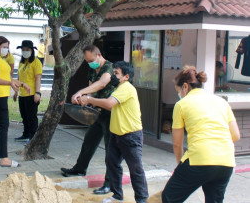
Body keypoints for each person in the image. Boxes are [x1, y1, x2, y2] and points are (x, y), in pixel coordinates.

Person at [161, 66, 241, 203]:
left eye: (178, 90)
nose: (179, 94)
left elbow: (177, 143)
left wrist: (180, 166)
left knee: (168, 198)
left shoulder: (182, 104)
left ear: (185, 86)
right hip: (226, 161)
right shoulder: (221, 101)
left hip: (199, 159)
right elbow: (235, 135)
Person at [80, 61, 148, 203]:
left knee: (135, 169)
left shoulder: (126, 88)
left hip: (130, 136)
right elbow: (113, 107)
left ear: (126, 77)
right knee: (112, 164)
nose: (113, 76)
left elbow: (110, 103)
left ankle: (142, 199)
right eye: (113, 73)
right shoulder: (118, 89)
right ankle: (117, 196)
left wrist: (89, 99)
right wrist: (94, 102)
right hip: (117, 134)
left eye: (116, 73)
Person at [61, 45, 115, 195]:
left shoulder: (110, 67)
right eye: (87, 61)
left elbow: (102, 84)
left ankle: (109, 183)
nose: (90, 63)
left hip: (110, 112)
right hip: (96, 112)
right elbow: (93, 88)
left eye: (91, 60)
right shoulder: (93, 69)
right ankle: (79, 169)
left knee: (110, 149)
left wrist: (80, 92)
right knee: (89, 141)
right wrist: (86, 100)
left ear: (98, 55)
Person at [0, 36, 30, 167]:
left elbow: (8, 77)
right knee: (4, 125)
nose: (6, 49)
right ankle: (4, 158)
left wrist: (22, 84)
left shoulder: (0, 59)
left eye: (7, 47)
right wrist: (10, 83)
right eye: (3, 46)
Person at [13, 40, 42, 144]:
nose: (25, 51)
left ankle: (33, 137)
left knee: (31, 117)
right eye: (23, 50)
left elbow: (38, 78)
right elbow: (18, 77)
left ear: (32, 50)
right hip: (22, 94)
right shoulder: (21, 62)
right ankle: (26, 134)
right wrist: (16, 92)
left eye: (27, 50)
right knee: (24, 116)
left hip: (32, 94)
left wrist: (37, 93)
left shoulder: (36, 62)